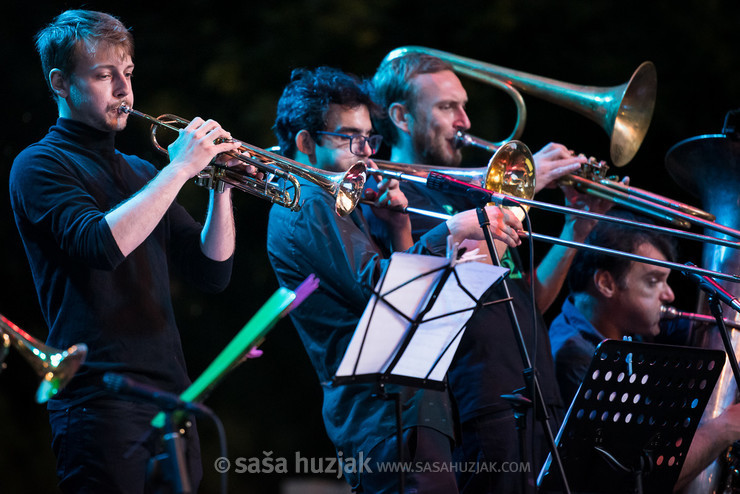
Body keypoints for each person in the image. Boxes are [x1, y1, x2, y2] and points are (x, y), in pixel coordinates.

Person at [9, 10, 251, 493]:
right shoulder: (39, 164)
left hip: (173, 399)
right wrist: (180, 171)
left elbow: (212, 271)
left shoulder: (143, 171)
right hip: (100, 401)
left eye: (129, 73)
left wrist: (219, 185)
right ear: (60, 83)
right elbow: (100, 243)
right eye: (104, 76)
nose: (124, 90)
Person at [266, 66, 523, 493]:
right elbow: (378, 291)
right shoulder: (304, 201)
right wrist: (449, 232)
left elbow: (405, 307)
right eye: (351, 138)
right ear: (306, 143)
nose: (366, 153)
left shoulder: (338, 205)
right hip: (381, 413)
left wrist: (400, 229)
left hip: (408, 409)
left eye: (369, 138)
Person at [370, 51, 607, 492]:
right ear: (401, 116)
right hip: (479, 407)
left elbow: (526, 299)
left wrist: (580, 224)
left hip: (542, 398)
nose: (464, 120)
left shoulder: (471, 196)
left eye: (463, 105)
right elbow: (428, 303)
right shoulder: (392, 200)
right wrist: (515, 190)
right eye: (446, 107)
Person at [549, 211, 740, 491]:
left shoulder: (621, 333)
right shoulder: (577, 357)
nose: (670, 295)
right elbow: (634, 481)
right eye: (653, 281)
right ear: (606, 283)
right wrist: (722, 429)